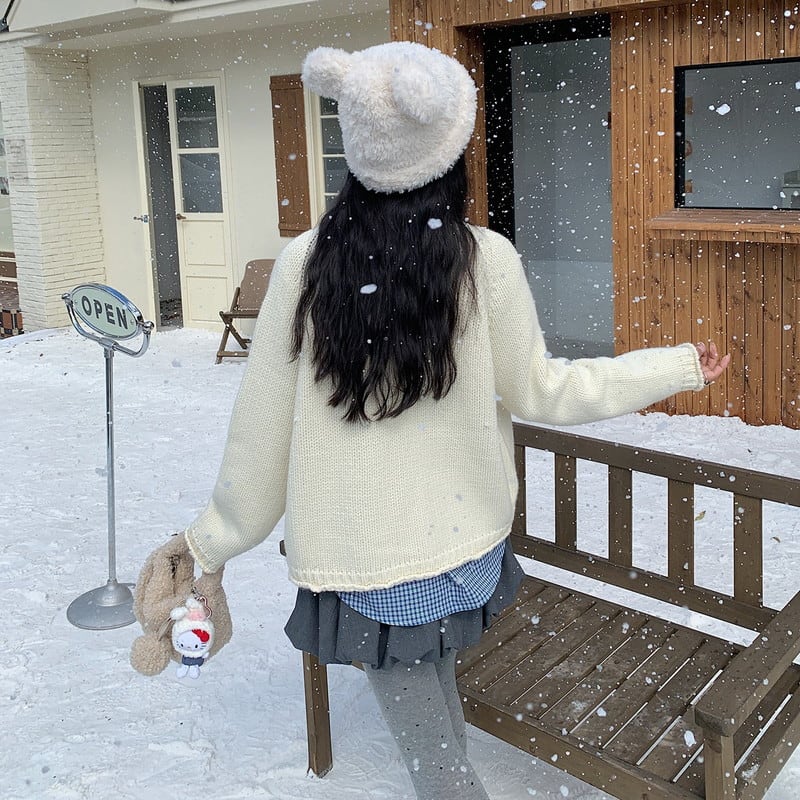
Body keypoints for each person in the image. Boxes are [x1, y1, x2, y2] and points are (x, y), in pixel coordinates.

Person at [174, 42, 729, 800]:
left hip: (367, 559)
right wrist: (674, 366)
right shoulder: (483, 260)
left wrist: (212, 540)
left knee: (436, 754)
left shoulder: (306, 264)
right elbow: (545, 391)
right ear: (448, 153)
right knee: (438, 733)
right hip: (460, 548)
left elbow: (261, 429)